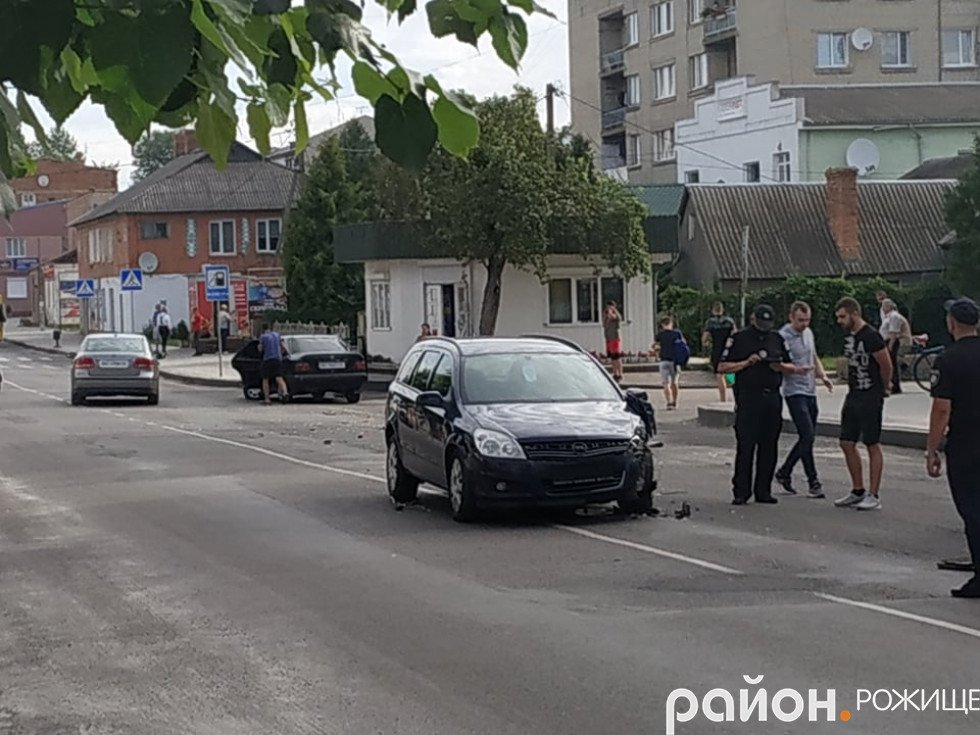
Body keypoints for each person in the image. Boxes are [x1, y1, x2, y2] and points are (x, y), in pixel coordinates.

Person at [718, 304, 803, 506]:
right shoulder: (738, 339)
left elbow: (792, 366)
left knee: (769, 446)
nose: (764, 327)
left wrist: (779, 366)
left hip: (772, 396)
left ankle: (763, 490)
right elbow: (723, 367)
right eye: (761, 322)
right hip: (748, 397)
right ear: (753, 319)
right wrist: (746, 363)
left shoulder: (777, 338)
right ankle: (741, 491)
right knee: (746, 446)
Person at [926, 298, 980, 599]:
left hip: (967, 444)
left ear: (952, 323)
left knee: (972, 509)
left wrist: (932, 449)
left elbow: (942, 410)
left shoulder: (947, 360)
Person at [834, 297, 893, 511]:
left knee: (871, 442)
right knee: (846, 441)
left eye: (843, 316)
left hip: (870, 395)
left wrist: (884, 386)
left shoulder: (871, 336)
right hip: (854, 394)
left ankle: (873, 494)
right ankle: (857, 489)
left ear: (854, 314)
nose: (840, 321)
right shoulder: (850, 337)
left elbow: (885, 364)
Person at [775, 301, 834, 498]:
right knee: (807, 435)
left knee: (807, 438)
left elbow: (813, 356)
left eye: (807, 320)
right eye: (800, 320)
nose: (804, 324)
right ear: (791, 317)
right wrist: (795, 370)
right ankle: (812, 480)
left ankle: (785, 473)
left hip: (810, 390)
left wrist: (823, 375)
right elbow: (777, 364)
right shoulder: (782, 336)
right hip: (794, 391)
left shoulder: (808, 333)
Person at [702, 301, 737, 402]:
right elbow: (735, 334)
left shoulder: (710, 322)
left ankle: (723, 399)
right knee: (731, 373)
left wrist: (706, 343)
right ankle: (735, 393)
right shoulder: (730, 321)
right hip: (729, 350)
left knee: (719, 375)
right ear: (723, 310)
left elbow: (705, 338)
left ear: (713, 310)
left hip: (717, 350)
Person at [880, 299, 911, 394]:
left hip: (895, 341)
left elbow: (893, 332)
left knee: (893, 363)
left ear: (889, 307)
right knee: (892, 363)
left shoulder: (894, 316)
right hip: (889, 341)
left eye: (884, 306)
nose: (882, 308)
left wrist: (890, 345)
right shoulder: (889, 316)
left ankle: (895, 385)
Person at [654, 316, 683, 410]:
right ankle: (674, 401)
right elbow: (683, 345)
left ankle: (668, 402)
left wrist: (657, 355)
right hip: (675, 362)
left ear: (662, 325)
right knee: (674, 382)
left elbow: (656, 346)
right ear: (671, 324)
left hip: (663, 361)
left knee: (665, 383)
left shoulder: (659, 335)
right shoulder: (677, 333)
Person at [258, 324, 288, 404]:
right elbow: (283, 347)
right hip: (277, 359)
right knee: (279, 377)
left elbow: (260, 349)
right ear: (270, 328)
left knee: (265, 379)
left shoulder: (263, 337)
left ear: (263, 329)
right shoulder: (277, 335)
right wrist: (282, 353)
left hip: (267, 359)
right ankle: (285, 392)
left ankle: (267, 399)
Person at [603, 301, 624, 382]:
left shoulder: (616, 316)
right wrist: (606, 315)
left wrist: (613, 311)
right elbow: (604, 324)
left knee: (617, 357)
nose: (608, 309)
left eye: (610, 307)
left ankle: (620, 374)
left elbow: (617, 318)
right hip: (609, 339)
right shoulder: (606, 316)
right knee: (612, 358)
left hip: (615, 338)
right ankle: (615, 373)